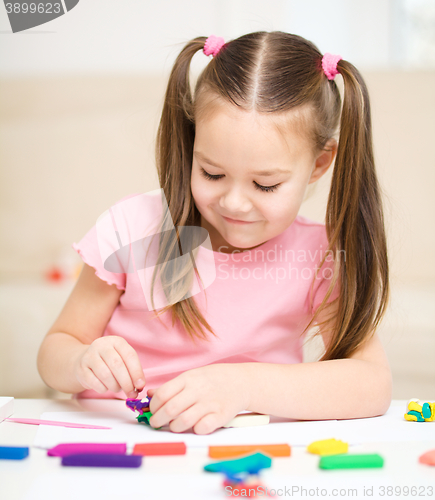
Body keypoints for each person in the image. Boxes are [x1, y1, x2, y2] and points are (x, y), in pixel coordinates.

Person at [37, 31, 392, 435]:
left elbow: (372, 383)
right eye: (212, 173)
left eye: (266, 185)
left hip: (244, 453)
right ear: (192, 144)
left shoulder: (318, 255)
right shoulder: (131, 228)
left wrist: (241, 385)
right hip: (116, 441)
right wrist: (81, 362)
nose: (235, 203)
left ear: (319, 163)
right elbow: (54, 354)